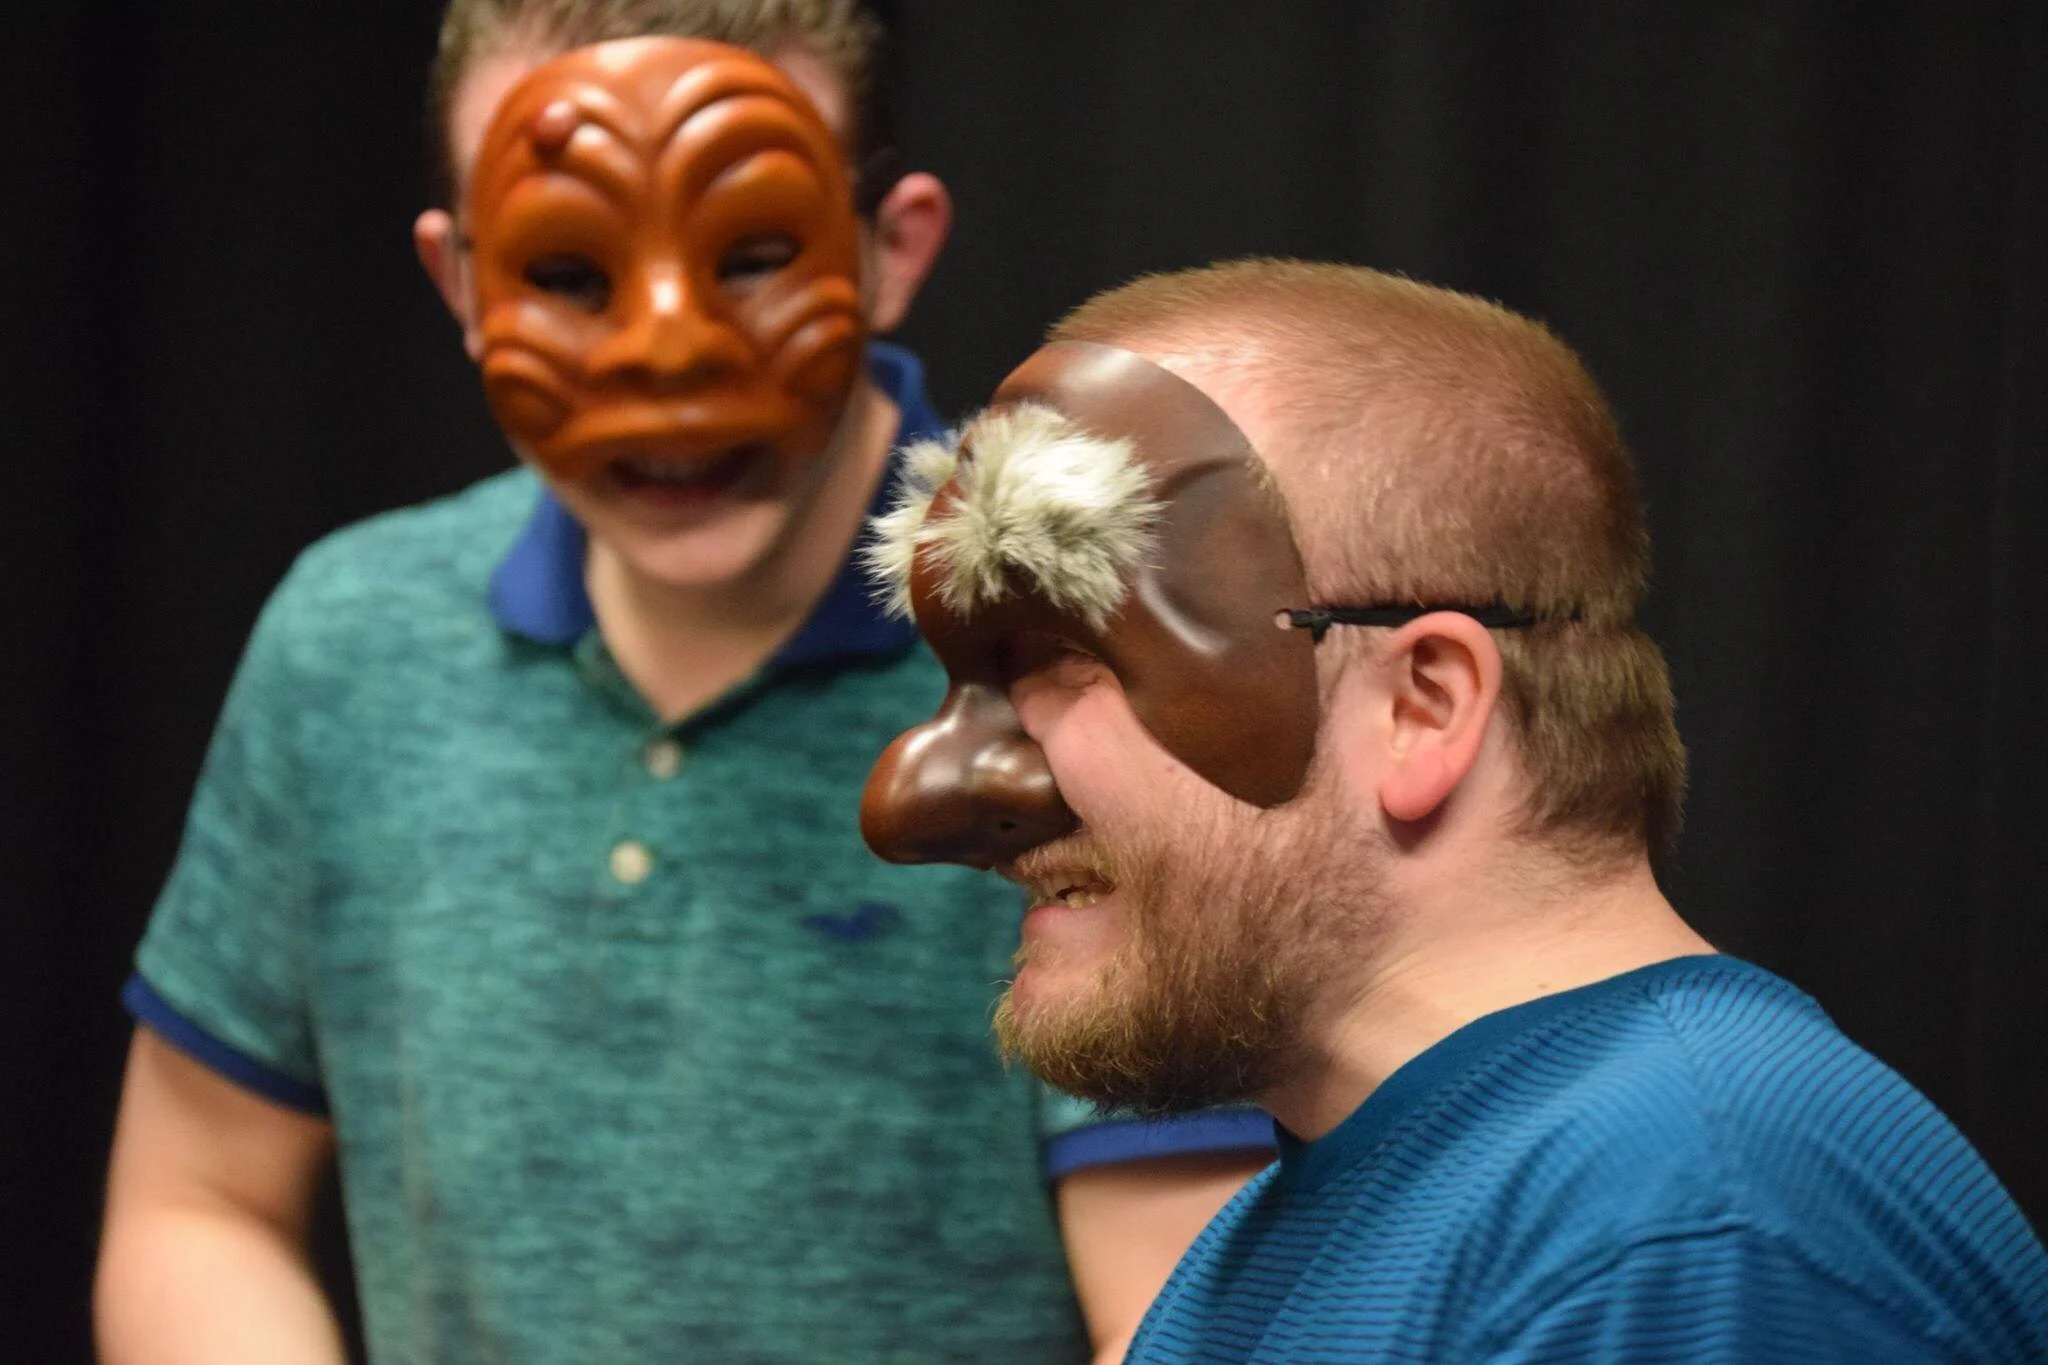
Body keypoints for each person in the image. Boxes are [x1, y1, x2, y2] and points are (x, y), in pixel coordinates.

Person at [94, 7, 1275, 1361]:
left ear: (894, 247)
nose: (668, 352)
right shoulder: (349, 642)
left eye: (757, 254)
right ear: (462, 284)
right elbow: (201, 1199)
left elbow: (1178, 1309)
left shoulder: (1081, 672)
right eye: (570, 271)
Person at [858, 259, 2048, 1362]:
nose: (936, 794)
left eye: (1066, 661)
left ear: (1422, 706)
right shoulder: (1301, 1237)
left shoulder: (1688, 1233)